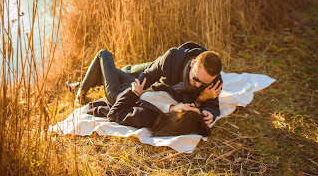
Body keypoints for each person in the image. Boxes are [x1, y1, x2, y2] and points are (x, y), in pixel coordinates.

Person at [74, 42, 223, 126]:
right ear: (193, 63)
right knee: (125, 70)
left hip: (123, 96)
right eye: (196, 79)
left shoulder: (213, 81)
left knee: (104, 55)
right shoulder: (173, 58)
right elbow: (147, 76)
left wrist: (210, 111)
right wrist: (136, 87)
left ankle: (79, 89)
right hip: (144, 86)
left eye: (203, 84)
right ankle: (81, 89)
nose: (198, 86)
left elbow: (212, 105)